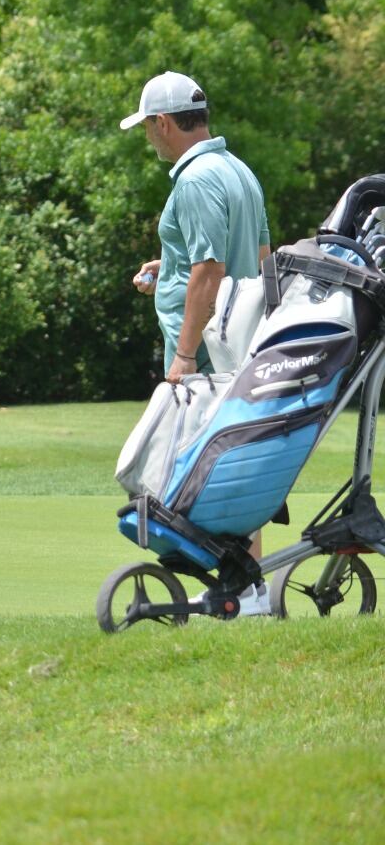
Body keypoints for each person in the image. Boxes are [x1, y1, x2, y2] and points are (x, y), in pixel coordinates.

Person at [123, 70, 272, 610]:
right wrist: (168, 268)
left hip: (208, 356)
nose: (148, 137)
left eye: (147, 127)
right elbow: (254, 263)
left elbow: (210, 271)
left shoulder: (194, 180)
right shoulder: (238, 171)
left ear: (164, 123)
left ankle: (242, 592)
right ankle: (251, 590)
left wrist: (184, 356)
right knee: (239, 467)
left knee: (207, 475)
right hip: (241, 345)